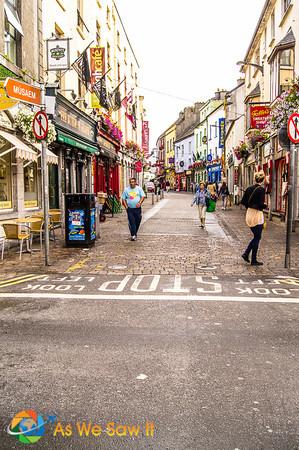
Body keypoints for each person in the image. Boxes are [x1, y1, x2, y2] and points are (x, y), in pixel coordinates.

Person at [240, 171, 267, 266]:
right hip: (257, 215)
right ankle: (252, 258)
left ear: (255, 179)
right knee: (257, 237)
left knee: (256, 236)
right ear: (262, 180)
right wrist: (265, 206)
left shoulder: (249, 189)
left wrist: (250, 207)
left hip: (249, 214)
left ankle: (247, 254)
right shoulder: (261, 190)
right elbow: (260, 204)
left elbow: (243, 201)